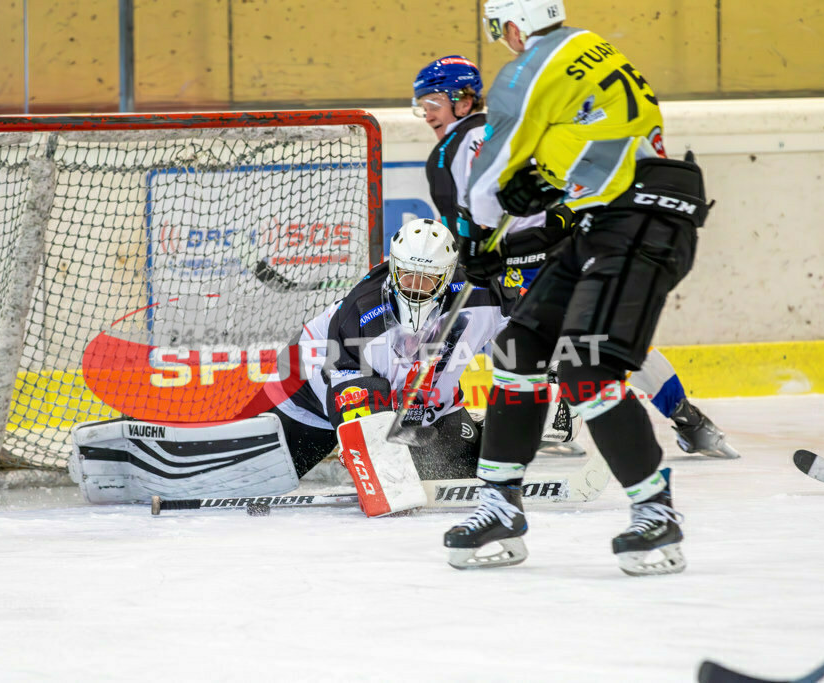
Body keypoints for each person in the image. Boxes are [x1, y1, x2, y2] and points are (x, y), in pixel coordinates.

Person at [442, 0, 713, 575]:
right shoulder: (589, 49)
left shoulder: (529, 65)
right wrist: (544, 183)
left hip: (642, 220)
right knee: (519, 347)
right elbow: (599, 141)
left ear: (514, 26)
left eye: (501, 31)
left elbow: (491, 174)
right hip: (607, 218)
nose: (505, 42)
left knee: (586, 366)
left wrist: (477, 235)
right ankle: (500, 503)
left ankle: (655, 511)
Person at [413, 54, 737, 461]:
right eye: (422, 107)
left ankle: (549, 429)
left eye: (432, 104)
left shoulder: (448, 151)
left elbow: (464, 229)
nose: (426, 115)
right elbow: (566, 189)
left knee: (539, 342)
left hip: (527, 268)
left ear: (463, 101)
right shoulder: (515, 131)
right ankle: (691, 421)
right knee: (605, 338)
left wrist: (487, 254)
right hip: (573, 249)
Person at [268, 217, 516, 481]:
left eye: (428, 279)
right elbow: (350, 394)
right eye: (408, 276)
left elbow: (531, 326)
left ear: (446, 276)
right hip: (308, 395)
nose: (415, 288)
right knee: (272, 478)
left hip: (423, 405)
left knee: (461, 473)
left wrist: (552, 375)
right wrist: (367, 449)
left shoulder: (479, 293)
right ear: (394, 267)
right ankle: (332, 463)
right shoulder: (362, 310)